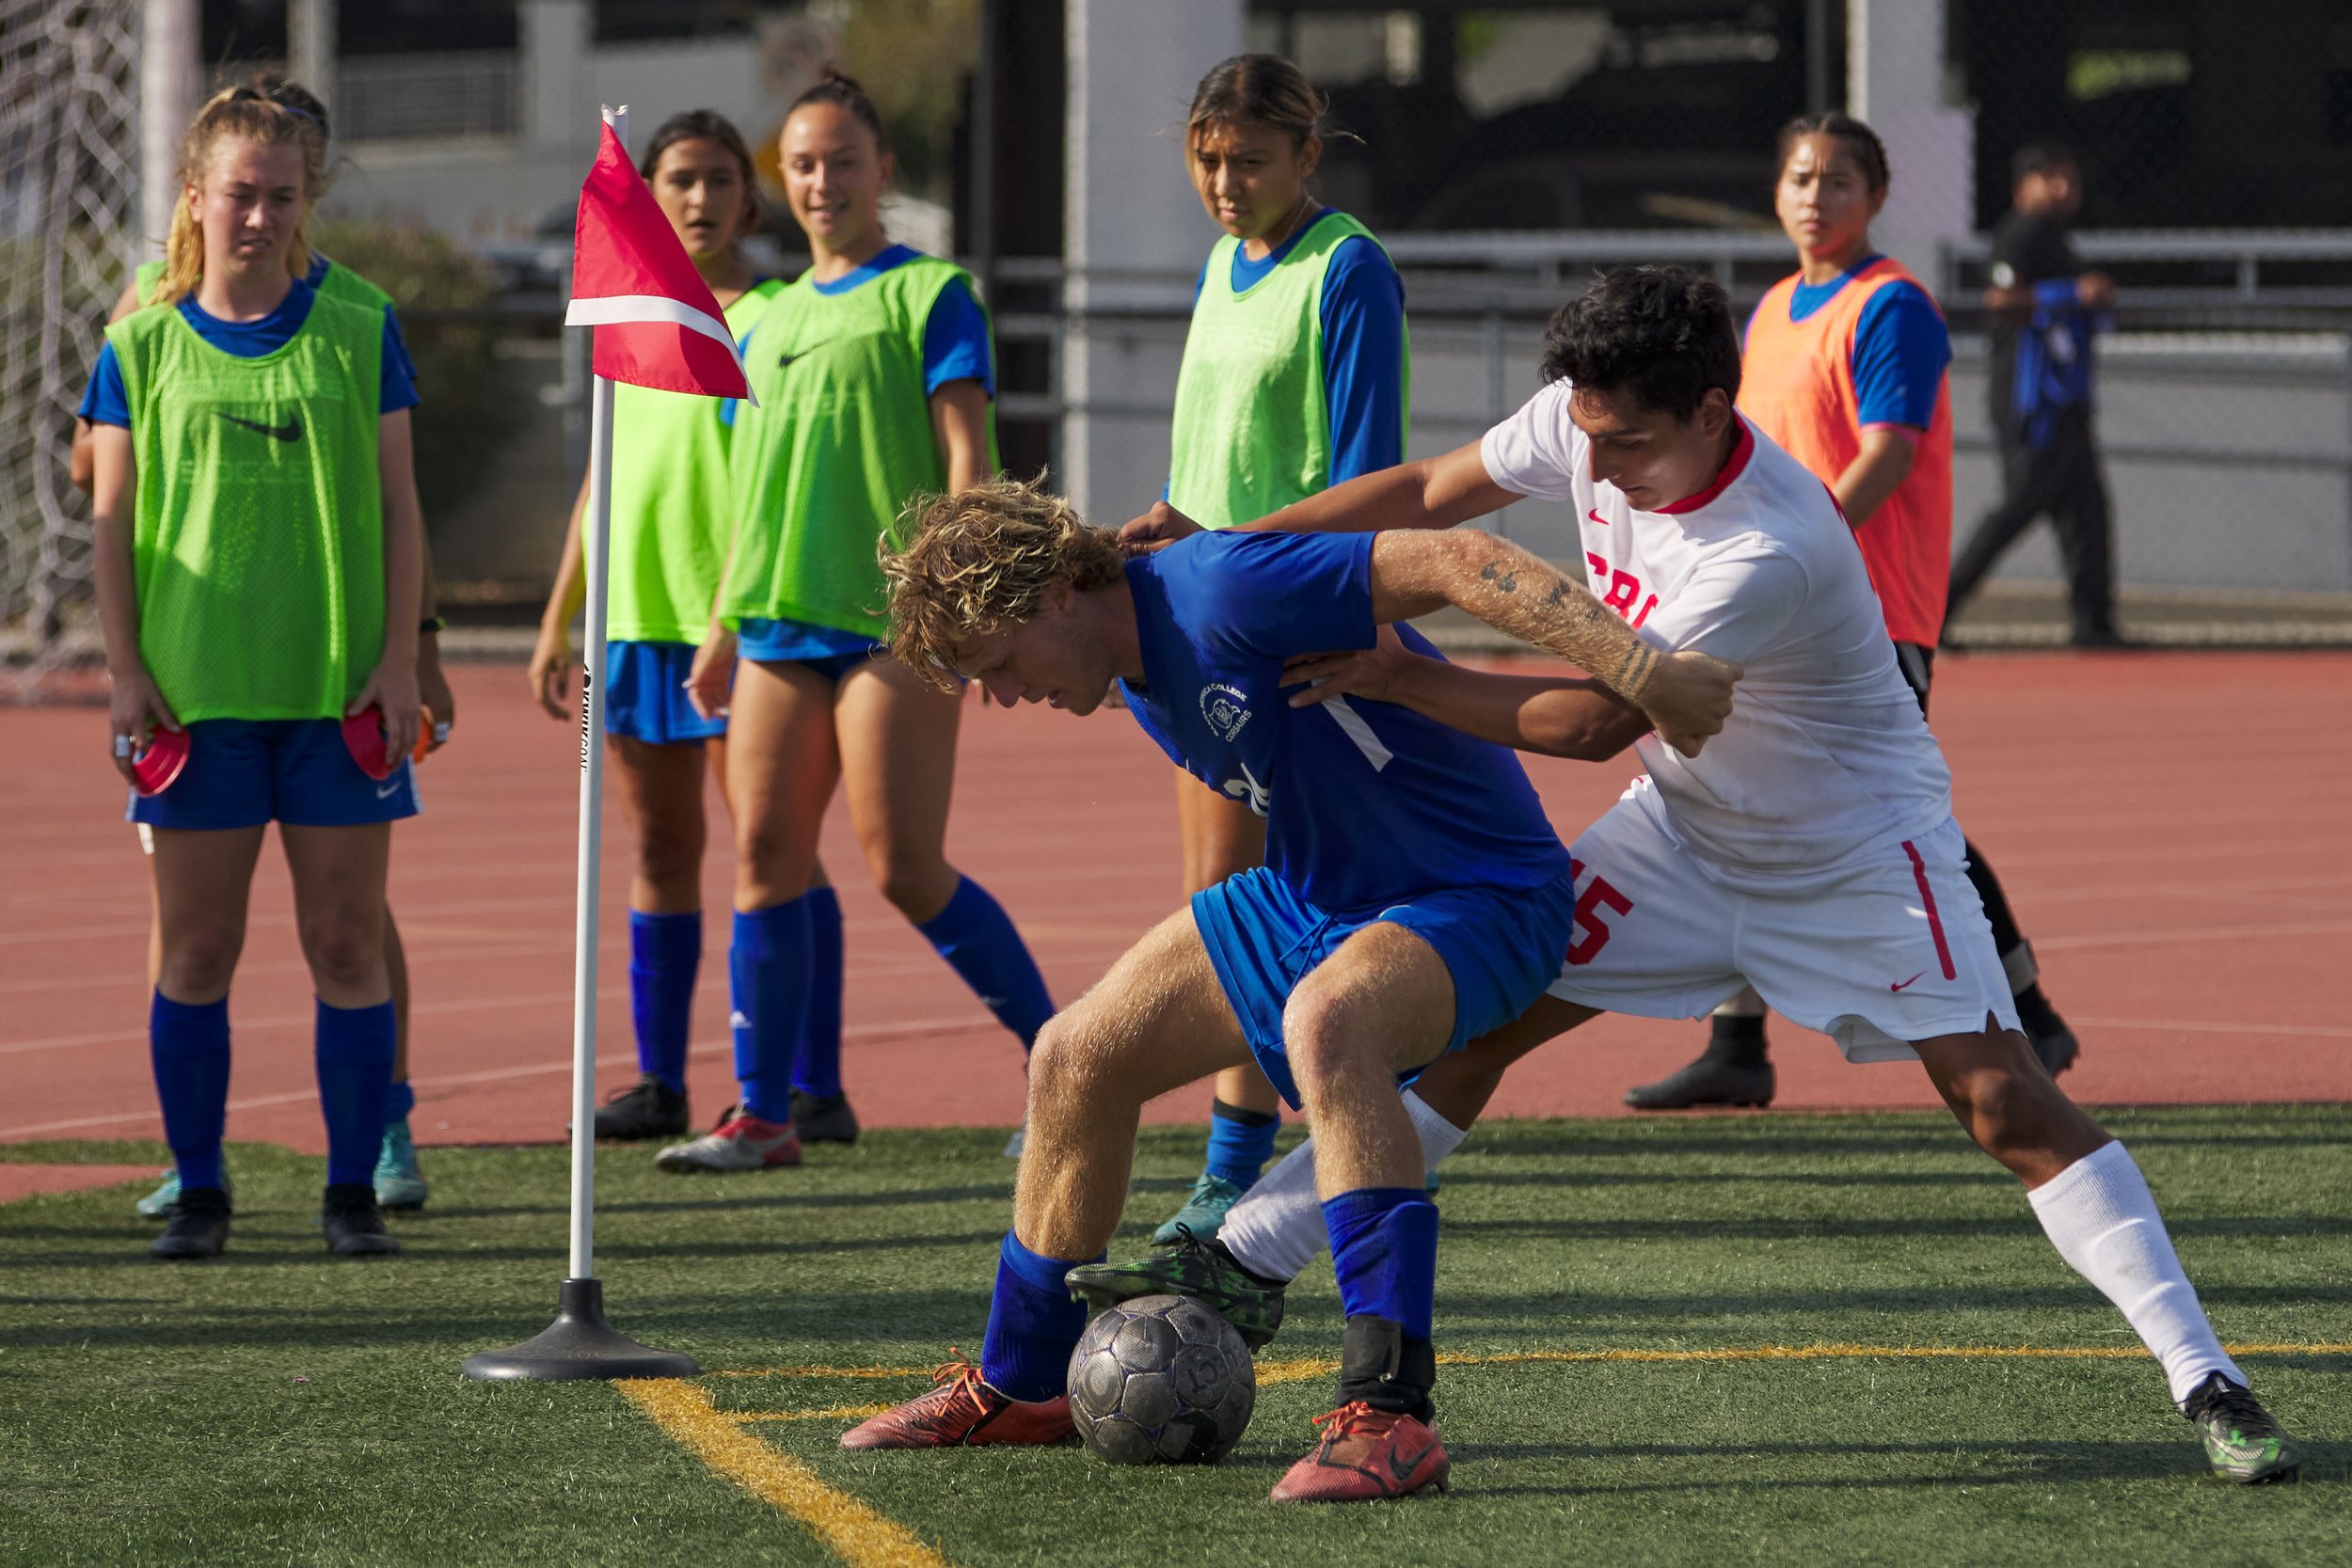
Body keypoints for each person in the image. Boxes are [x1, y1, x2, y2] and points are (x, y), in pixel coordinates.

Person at [1074, 265, 2304, 1487]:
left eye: (1631, 446)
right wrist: (1243, 542)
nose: (1596, 471)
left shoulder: (1766, 545)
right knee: (1471, 1023)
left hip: (1855, 858)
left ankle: (2209, 1376)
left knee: (2006, 1105)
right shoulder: (1590, 413)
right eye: (1589, 437)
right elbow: (1428, 491)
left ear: (1715, 411)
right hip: (1679, 837)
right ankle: (1248, 1253)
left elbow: (1596, 723)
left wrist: (1399, 675)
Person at [838, 476, 1735, 1502]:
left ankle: (1390, 1414)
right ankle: (1021, 1380)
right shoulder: (1130, 643)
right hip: (1317, 894)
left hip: (1478, 895)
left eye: (999, 665)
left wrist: (1639, 669)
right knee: (1074, 1054)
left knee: (1329, 1017)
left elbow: (1455, 559)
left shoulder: (1217, 587)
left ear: (1051, 596)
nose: (1004, 694)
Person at [1627, 112, 2078, 1111]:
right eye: (1798, 178)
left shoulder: (1892, 306)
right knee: (1740, 793)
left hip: (1868, 613)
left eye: (1837, 181)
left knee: (1892, 817)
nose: (1813, 197)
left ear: (1875, 199)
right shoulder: (1775, 308)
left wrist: (1795, 552)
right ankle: (1737, 1041)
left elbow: (1887, 452)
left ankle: (2027, 1008)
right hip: (1768, 608)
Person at [70, 75, 449, 1217]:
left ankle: (351, 1189)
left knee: (344, 941)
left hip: (336, 693)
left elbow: (400, 505)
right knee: (194, 953)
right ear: (194, 199)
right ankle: (197, 1188)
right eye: (239, 193)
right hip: (196, 699)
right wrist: (128, 669)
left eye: (281, 196)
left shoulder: (360, 324)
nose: (259, 216)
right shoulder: (138, 344)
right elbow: (112, 523)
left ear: (306, 200)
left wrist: (398, 658)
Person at [663, 72, 1054, 1172]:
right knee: (764, 859)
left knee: (903, 866)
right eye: (802, 165)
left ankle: (1061, 1056)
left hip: (895, 630)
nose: (822, 181)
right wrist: (726, 620)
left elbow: (969, 459)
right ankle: (762, 1112)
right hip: (777, 625)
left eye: (842, 161)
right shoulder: (770, 317)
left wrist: (968, 608)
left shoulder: (931, 294)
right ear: (777, 185)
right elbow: (755, 483)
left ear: (884, 172)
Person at [1151, 54, 1412, 1242]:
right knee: (1231, 895)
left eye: (1248, 159)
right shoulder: (1222, 260)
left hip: (1278, 620)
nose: (1223, 180)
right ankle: (1266, 1144)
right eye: (1206, 158)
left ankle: (1237, 1163)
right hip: (1198, 613)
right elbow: (1209, 452)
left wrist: (1234, 554)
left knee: (1247, 896)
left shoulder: (1346, 268)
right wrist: (1162, 540)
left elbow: (1367, 480)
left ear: (1308, 154)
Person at [525, 111, 807, 1145]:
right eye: (679, 179)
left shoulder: (775, 312)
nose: (698, 199)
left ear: (748, 193)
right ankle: (657, 1079)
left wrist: (730, 609)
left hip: (726, 620)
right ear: (648, 189)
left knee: (769, 849)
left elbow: (771, 480)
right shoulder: (626, 313)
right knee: (658, 842)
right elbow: (602, 473)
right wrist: (561, 615)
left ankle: (787, 1083)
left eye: (718, 179)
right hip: (630, 620)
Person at [1947, 143, 2121, 647]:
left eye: (2070, 179)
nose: (2065, 189)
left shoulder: (2059, 237)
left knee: (2087, 510)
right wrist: (2069, 295)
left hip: (2066, 400)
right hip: (2030, 403)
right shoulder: (2019, 234)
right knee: (2019, 505)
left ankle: (2095, 624)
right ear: (2025, 185)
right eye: (2052, 178)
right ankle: (1936, 614)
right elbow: (2000, 299)